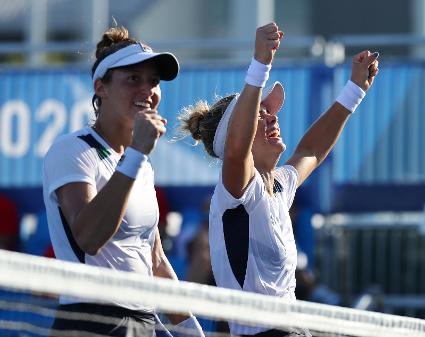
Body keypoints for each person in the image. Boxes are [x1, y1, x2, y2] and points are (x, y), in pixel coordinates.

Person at [178, 22, 379, 337]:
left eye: (268, 112)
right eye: (260, 115)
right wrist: (260, 63)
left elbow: (311, 149)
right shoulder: (235, 188)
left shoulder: (280, 185)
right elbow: (235, 151)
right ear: (237, 137)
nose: (272, 117)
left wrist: (354, 90)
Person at [43, 26, 204, 337]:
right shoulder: (72, 149)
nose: (148, 90)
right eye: (133, 79)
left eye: (154, 81)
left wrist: (190, 328)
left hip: (141, 321)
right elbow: (88, 237)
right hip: (90, 321)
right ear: (101, 88)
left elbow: (155, 259)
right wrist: (136, 153)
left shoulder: (140, 164)